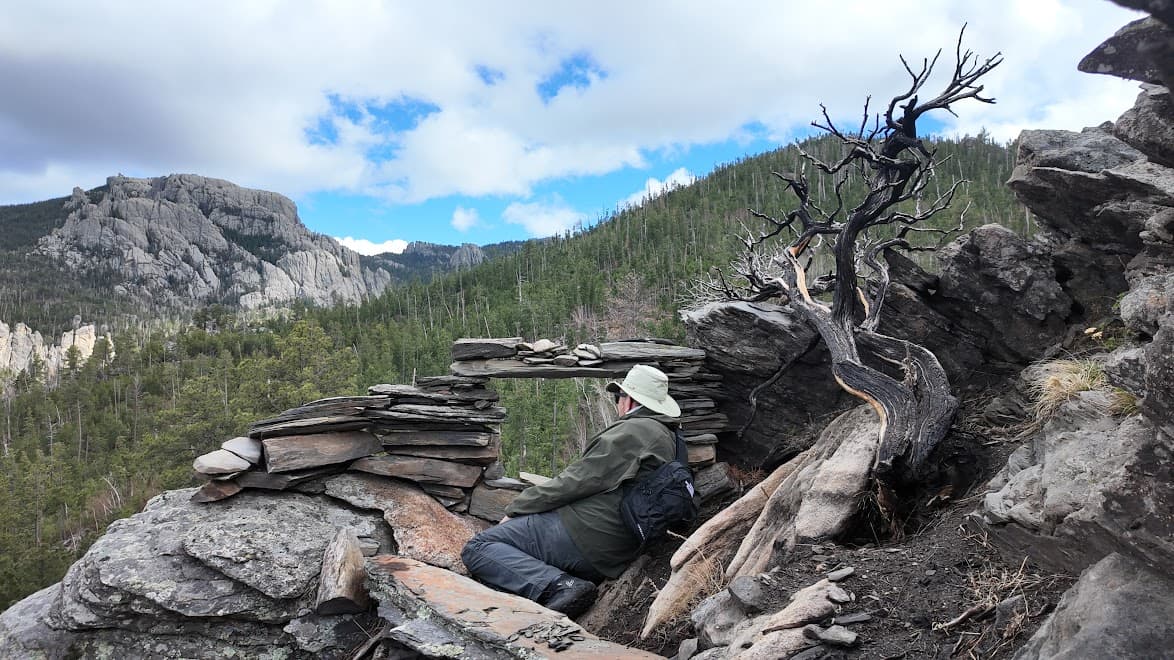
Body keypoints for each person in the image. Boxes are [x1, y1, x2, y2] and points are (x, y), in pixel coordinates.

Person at [460, 363, 682, 617]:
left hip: (588, 535)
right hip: (619, 545)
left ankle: (562, 586)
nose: (617, 403)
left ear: (629, 400)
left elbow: (578, 480)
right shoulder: (671, 437)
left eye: (617, 397)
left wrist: (518, 506)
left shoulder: (636, 430)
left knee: (479, 547)